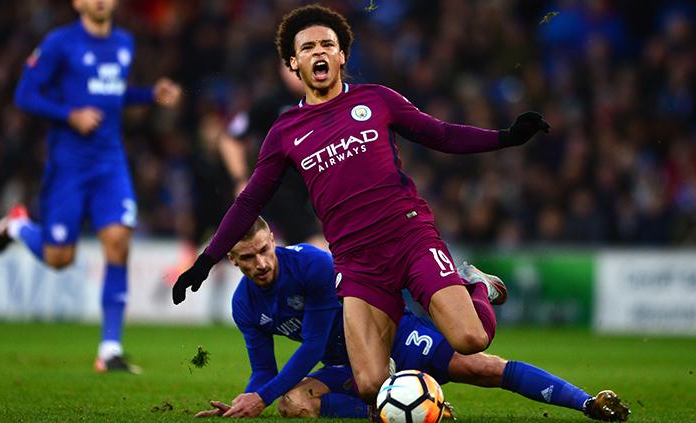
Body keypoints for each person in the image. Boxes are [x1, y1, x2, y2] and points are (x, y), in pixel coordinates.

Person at [173, 4, 549, 402]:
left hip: (407, 235)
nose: (319, 52)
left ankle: (477, 287)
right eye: (308, 47)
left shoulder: (377, 99)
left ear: (342, 56)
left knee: (472, 338)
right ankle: (418, 396)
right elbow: (249, 201)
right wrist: (206, 259)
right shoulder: (284, 132)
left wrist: (505, 137)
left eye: (328, 45)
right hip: (355, 260)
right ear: (293, 62)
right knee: (370, 383)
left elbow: (441, 134)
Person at [194, 218, 630, 421]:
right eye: (248, 258)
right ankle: (412, 410)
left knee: (480, 365)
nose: (261, 263)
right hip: (350, 364)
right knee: (294, 403)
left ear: (274, 239)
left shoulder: (310, 266)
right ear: (232, 260)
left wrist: (260, 397)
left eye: (264, 250)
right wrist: (244, 400)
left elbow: (309, 344)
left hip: (389, 334)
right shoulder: (245, 306)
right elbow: (264, 373)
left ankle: (587, 402)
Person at [0, 0, 181, 373]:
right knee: (59, 258)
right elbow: (25, 94)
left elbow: (112, 96)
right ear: (77, 2)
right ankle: (17, 225)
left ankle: (110, 349)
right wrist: (69, 114)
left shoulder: (125, 42)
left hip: (110, 163)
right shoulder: (60, 42)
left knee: (118, 241)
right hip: (69, 166)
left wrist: (148, 95)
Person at [218, 64, 326, 248]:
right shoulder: (270, 104)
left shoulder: (331, 102)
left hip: (322, 190)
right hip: (285, 194)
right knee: (318, 249)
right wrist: (240, 180)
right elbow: (230, 139)